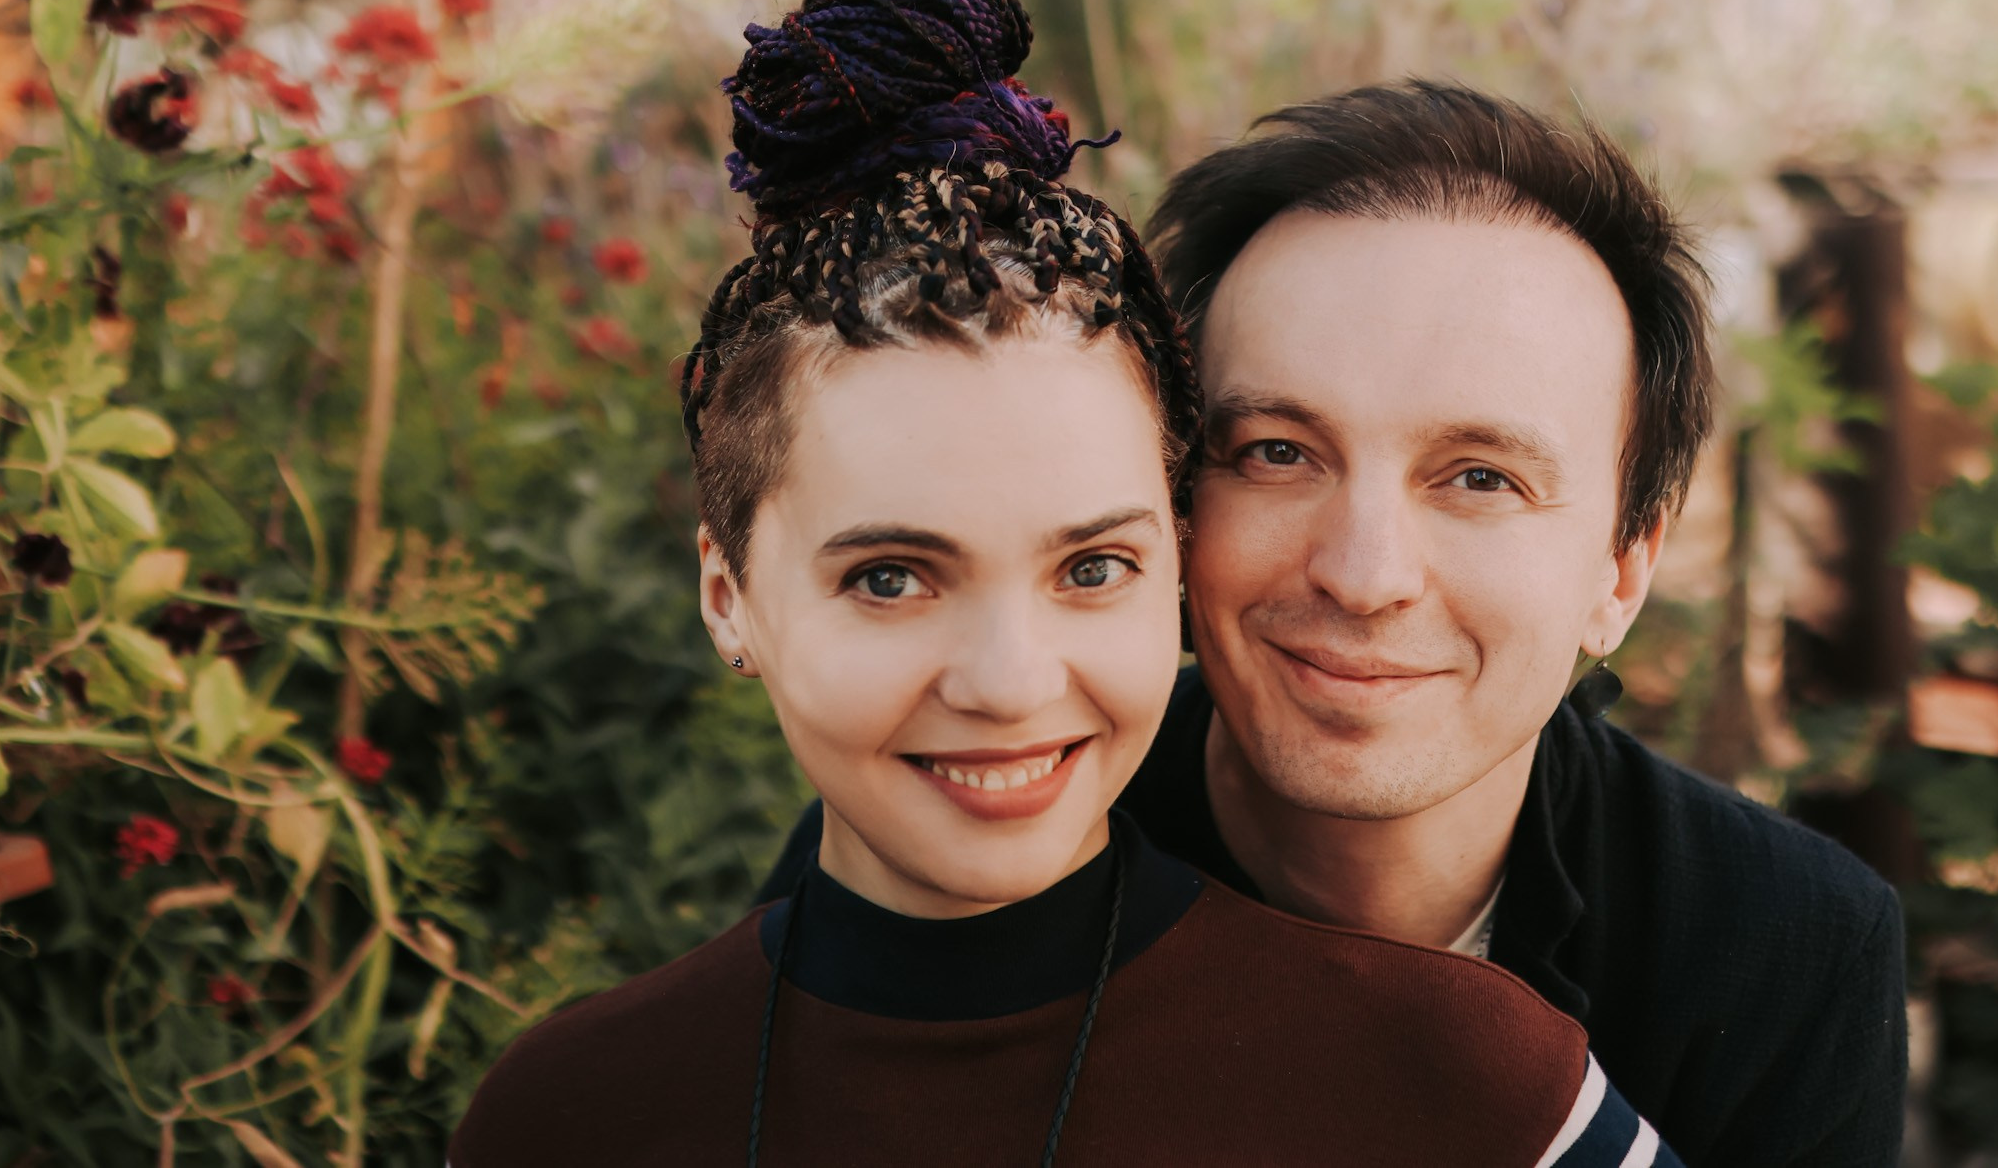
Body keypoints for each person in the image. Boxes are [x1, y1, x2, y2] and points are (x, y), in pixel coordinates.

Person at [452, 0, 1678, 1167]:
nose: (1008, 682)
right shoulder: (565, 1118)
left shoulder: (1468, 1088)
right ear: (728, 595)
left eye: (1089, 569)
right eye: (891, 578)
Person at [761, 83, 1909, 1166]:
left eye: (1479, 478)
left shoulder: (1780, 947)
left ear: (1621, 569)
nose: (1363, 577)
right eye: (1276, 453)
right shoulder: (969, 822)